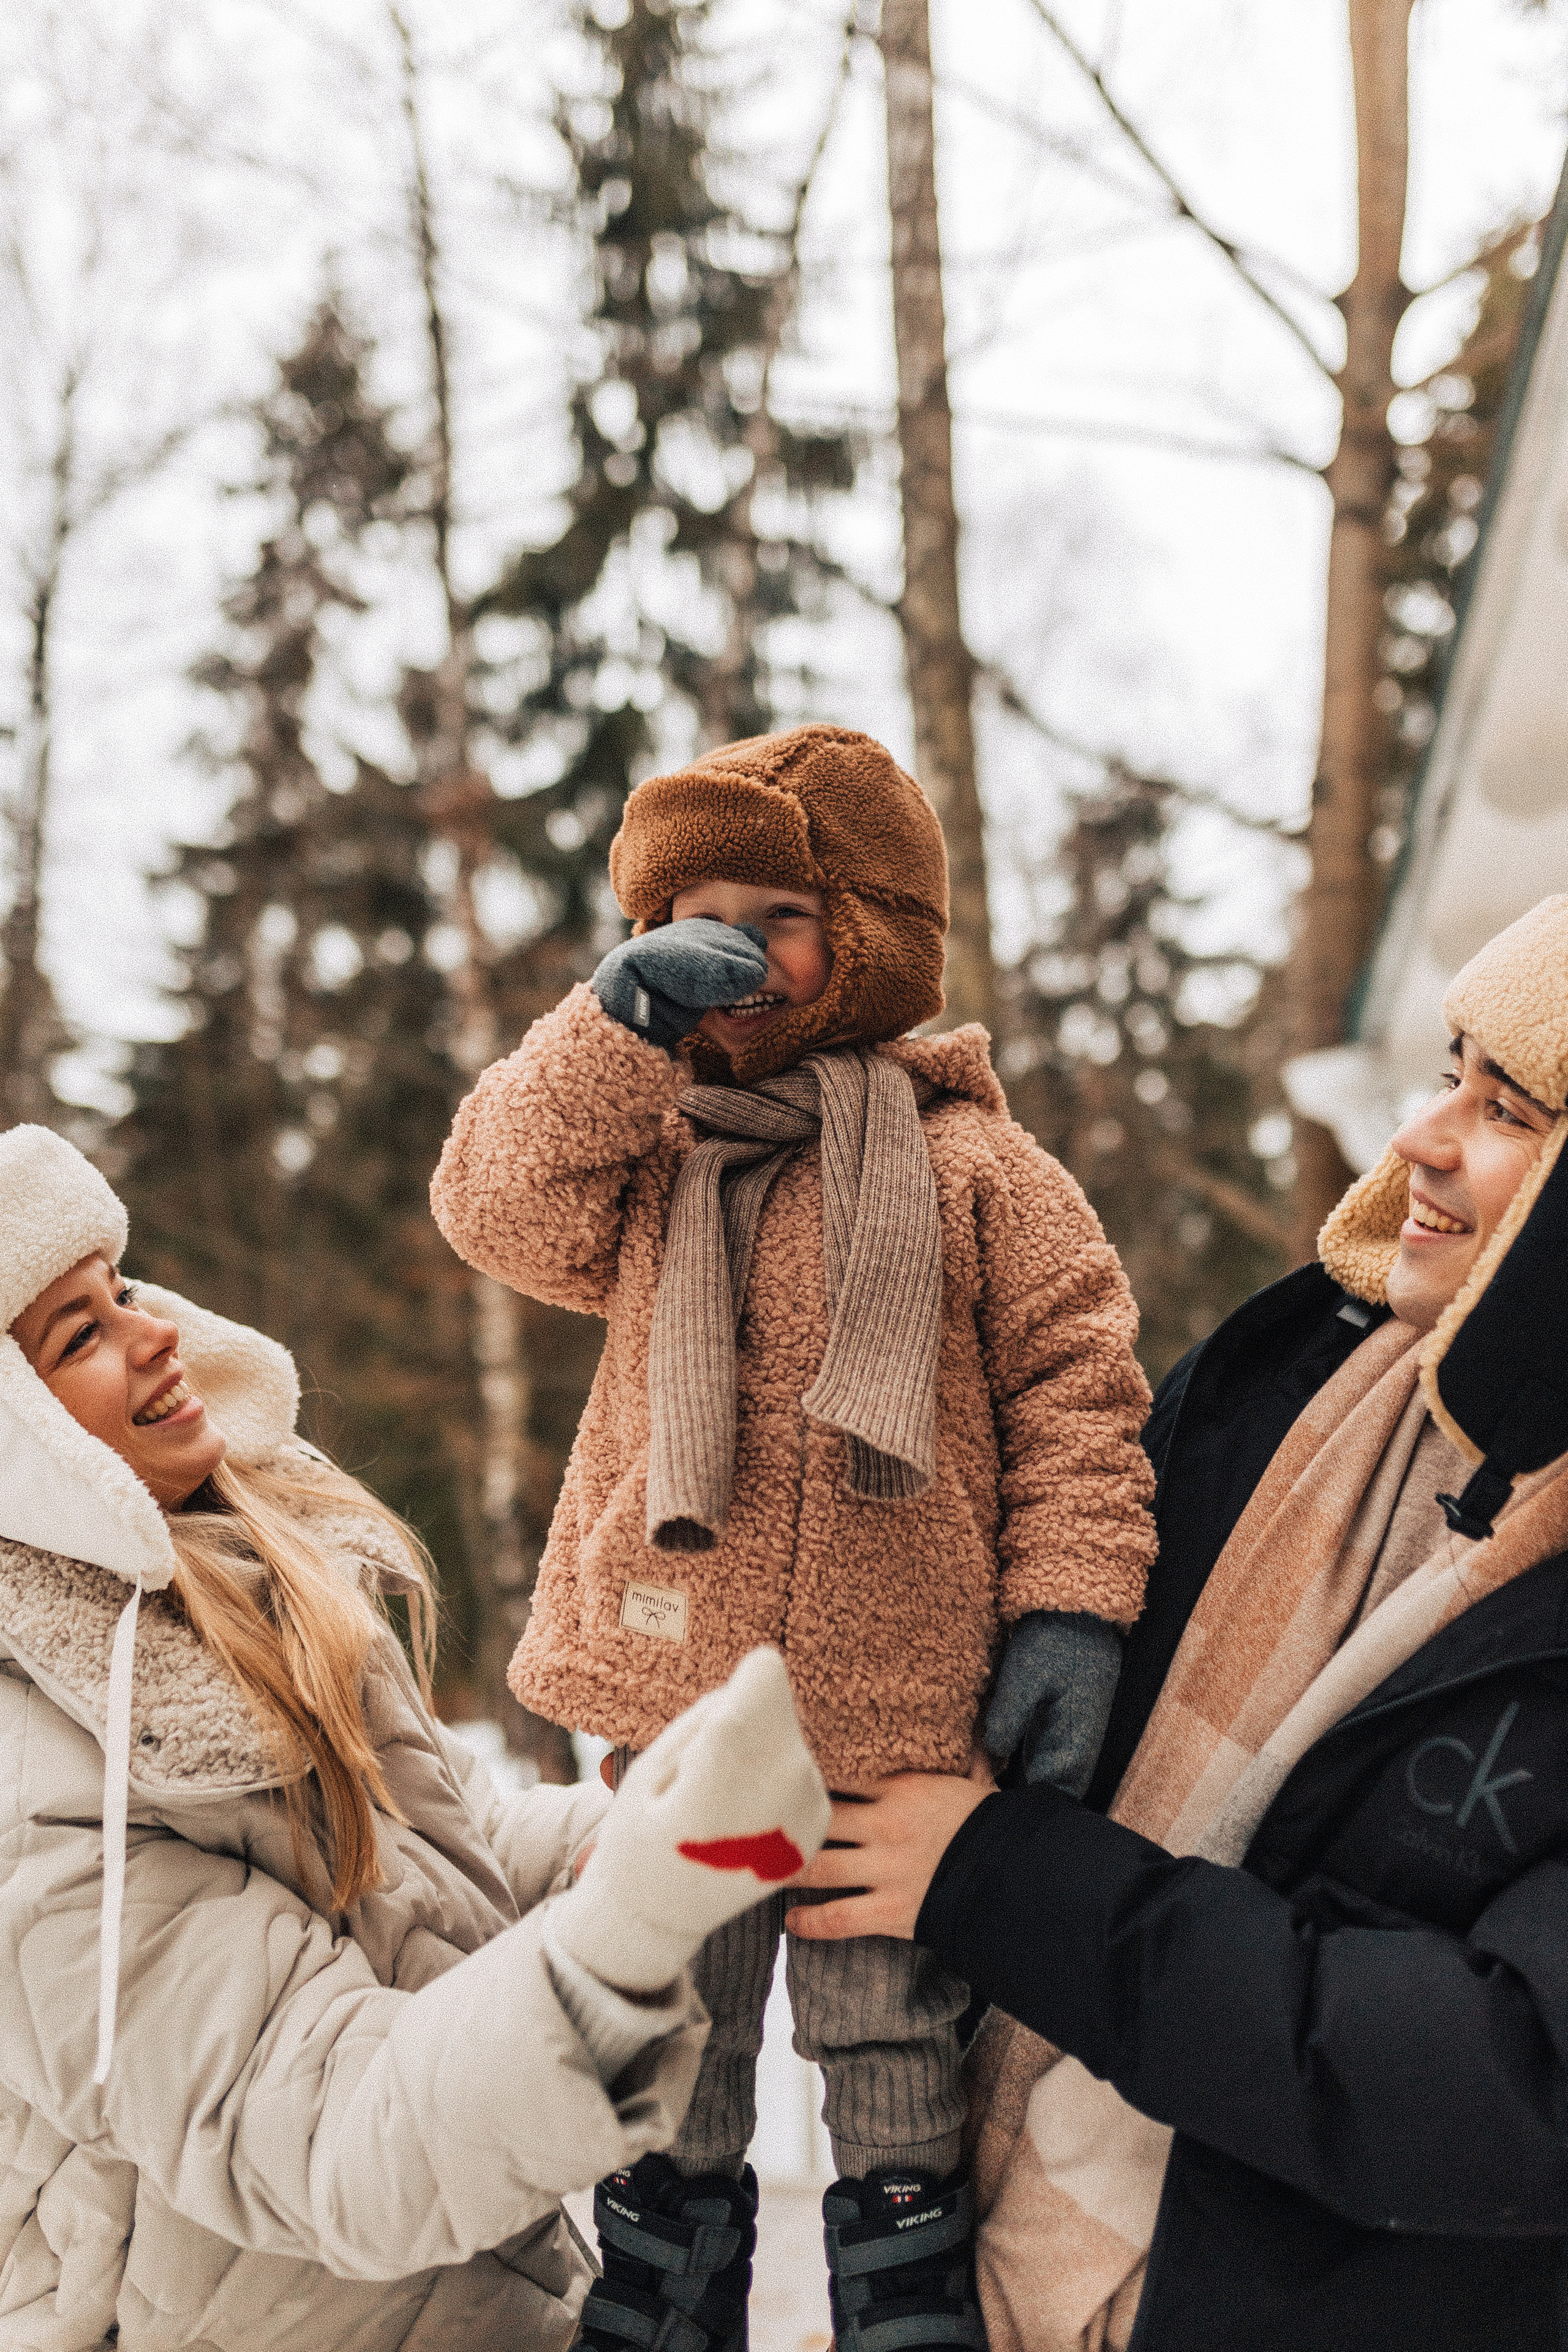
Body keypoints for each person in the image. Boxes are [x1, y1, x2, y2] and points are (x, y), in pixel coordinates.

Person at [430, 722, 1158, 2352]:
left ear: (878, 937)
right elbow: (491, 1200)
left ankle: (902, 2282)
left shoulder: (979, 1165)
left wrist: (1071, 1609)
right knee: (674, 1994)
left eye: (780, 915)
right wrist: (611, 1034)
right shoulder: (647, 1152)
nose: (734, 953)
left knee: (890, 2015)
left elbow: (1078, 1392)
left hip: (902, 1709)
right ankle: (663, 2275)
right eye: (690, 921)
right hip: (675, 1684)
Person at [786, 891, 1568, 2352]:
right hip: (974, 2275)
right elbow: (1000, 1630)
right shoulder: (1293, 1376)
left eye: (1509, 1110)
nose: (1419, 1138)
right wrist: (734, 1709)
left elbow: (1510, 2086)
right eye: (1446, 1072)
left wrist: (1006, 1886)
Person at [0, 1121, 829, 2352]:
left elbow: (399, 1867)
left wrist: (638, 1824)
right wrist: (632, 1922)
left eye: (121, 1290)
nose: (157, 1330)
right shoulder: (33, 1791)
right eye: (83, 1335)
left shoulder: (210, 1591)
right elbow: (332, 2131)